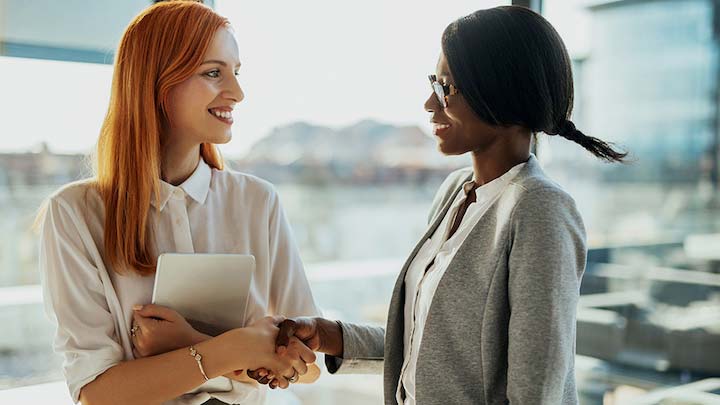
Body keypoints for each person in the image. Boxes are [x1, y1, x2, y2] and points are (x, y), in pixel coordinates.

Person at [254, 5, 627, 404]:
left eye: (446, 87)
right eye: (435, 83)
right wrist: (333, 336)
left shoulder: (540, 209)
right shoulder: (455, 192)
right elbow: (435, 348)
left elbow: (536, 390)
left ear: (502, 90)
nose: (430, 105)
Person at [38, 2, 319, 404]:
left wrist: (194, 343)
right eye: (213, 72)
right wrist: (238, 350)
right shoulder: (74, 214)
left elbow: (306, 366)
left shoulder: (259, 201)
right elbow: (96, 392)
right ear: (155, 82)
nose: (237, 93)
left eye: (235, 73)